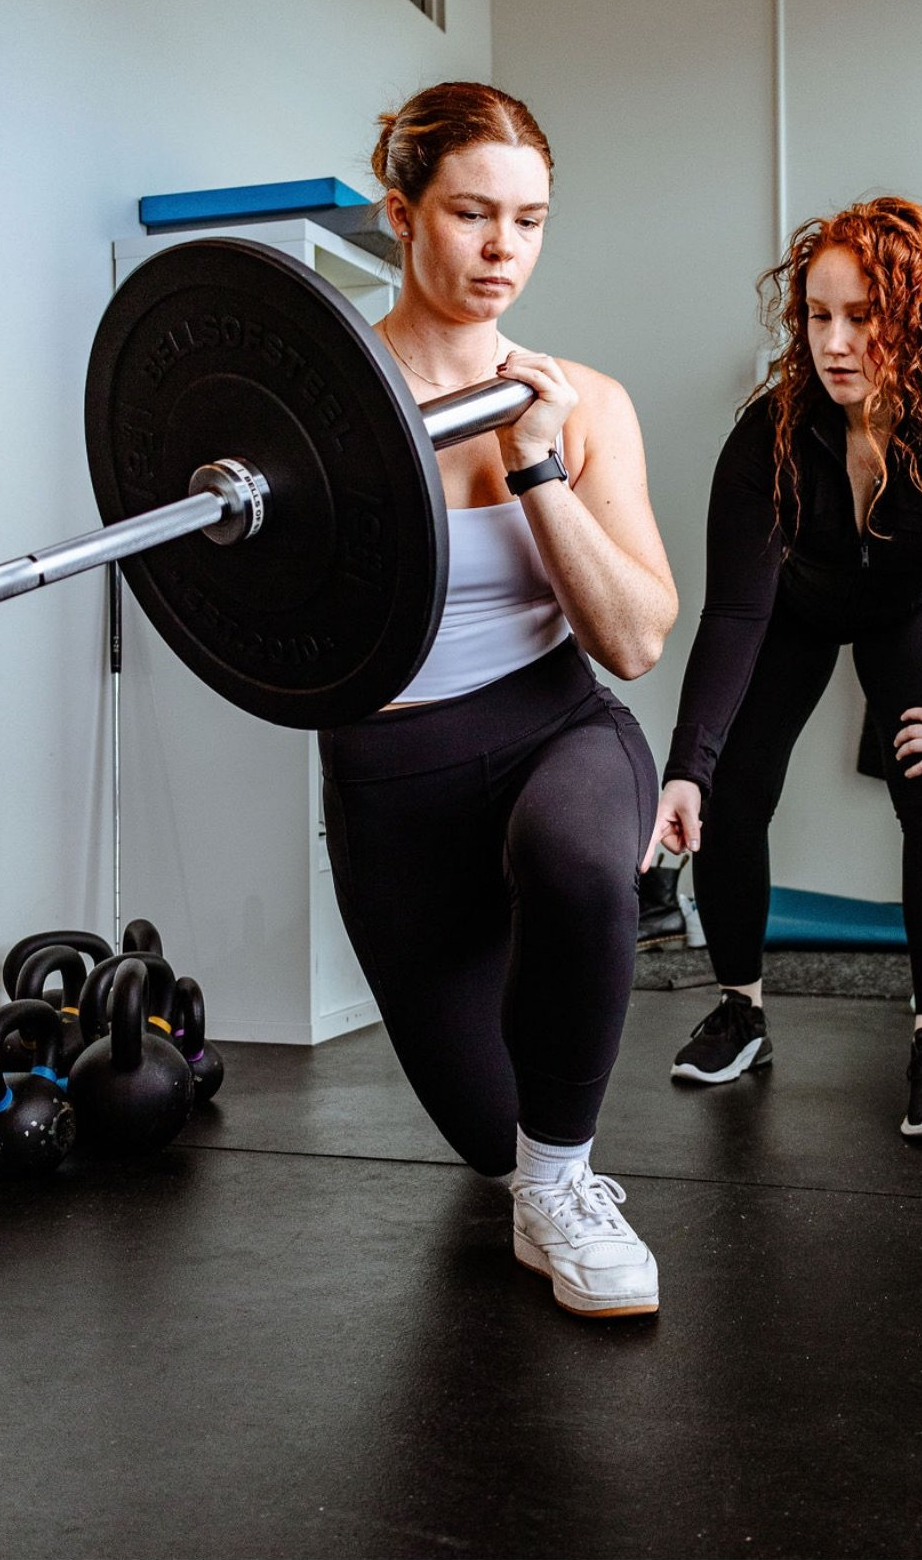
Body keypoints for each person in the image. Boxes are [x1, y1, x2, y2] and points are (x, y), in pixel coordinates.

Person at [318, 83, 677, 1316]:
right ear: (400, 214)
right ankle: (536, 1170)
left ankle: (570, 1193)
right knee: (495, 1137)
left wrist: (536, 467)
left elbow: (634, 639)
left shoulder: (584, 405)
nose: (500, 252)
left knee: (580, 861)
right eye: (472, 214)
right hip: (393, 781)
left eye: (528, 222)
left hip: (555, 727)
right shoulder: (317, 416)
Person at [644, 196, 922, 1140]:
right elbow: (737, 609)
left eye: (863, 317)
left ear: (919, 321)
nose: (835, 343)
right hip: (801, 602)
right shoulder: (772, 434)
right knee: (734, 791)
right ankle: (742, 1006)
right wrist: (687, 766)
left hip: (919, 603)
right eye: (819, 315)